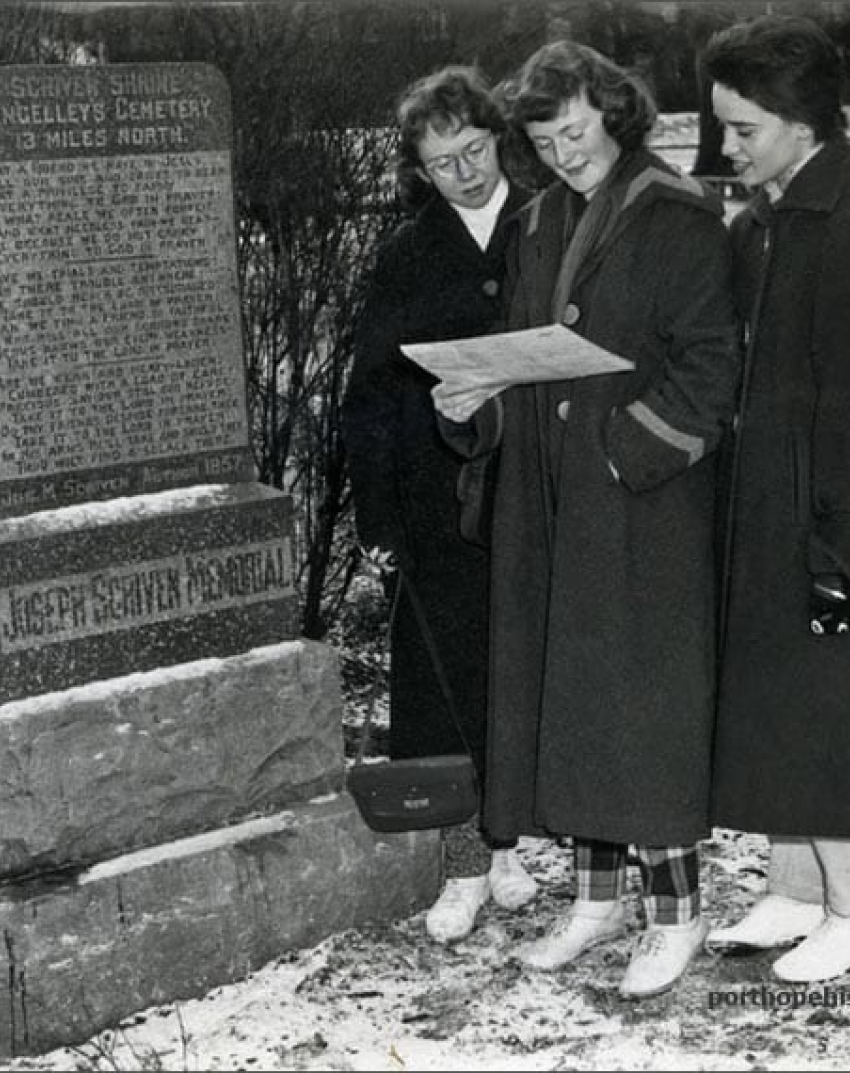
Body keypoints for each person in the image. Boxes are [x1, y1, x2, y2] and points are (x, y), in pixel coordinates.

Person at [434, 41, 740, 998]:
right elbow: (525, 357)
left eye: (573, 133)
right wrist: (474, 398)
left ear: (614, 112)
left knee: (644, 707)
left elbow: (709, 372)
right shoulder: (539, 219)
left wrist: (623, 454)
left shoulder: (681, 218)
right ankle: (598, 896)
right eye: (545, 140)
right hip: (551, 501)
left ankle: (677, 912)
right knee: (570, 699)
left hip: (642, 507)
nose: (563, 154)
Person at [701, 14, 850, 984]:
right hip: (768, 513)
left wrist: (842, 551)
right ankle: (794, 886)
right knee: (777, 708)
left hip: (832, 524)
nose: (726, 146)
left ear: (802, 125)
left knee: (831, 713)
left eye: (743, 129)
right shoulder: (762, 227)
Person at [341, 66, 537, 944]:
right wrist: (378, 517)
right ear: (419, 172)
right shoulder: (406, 253)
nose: (464, 172)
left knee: (525, 671)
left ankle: (516, 843)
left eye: (474, 148)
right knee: (444, 680)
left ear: (499, 136)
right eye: (441, 162)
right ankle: (465, 865)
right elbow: (371, 395)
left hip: (533, 486)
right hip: (436, 500)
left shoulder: (548, 223)